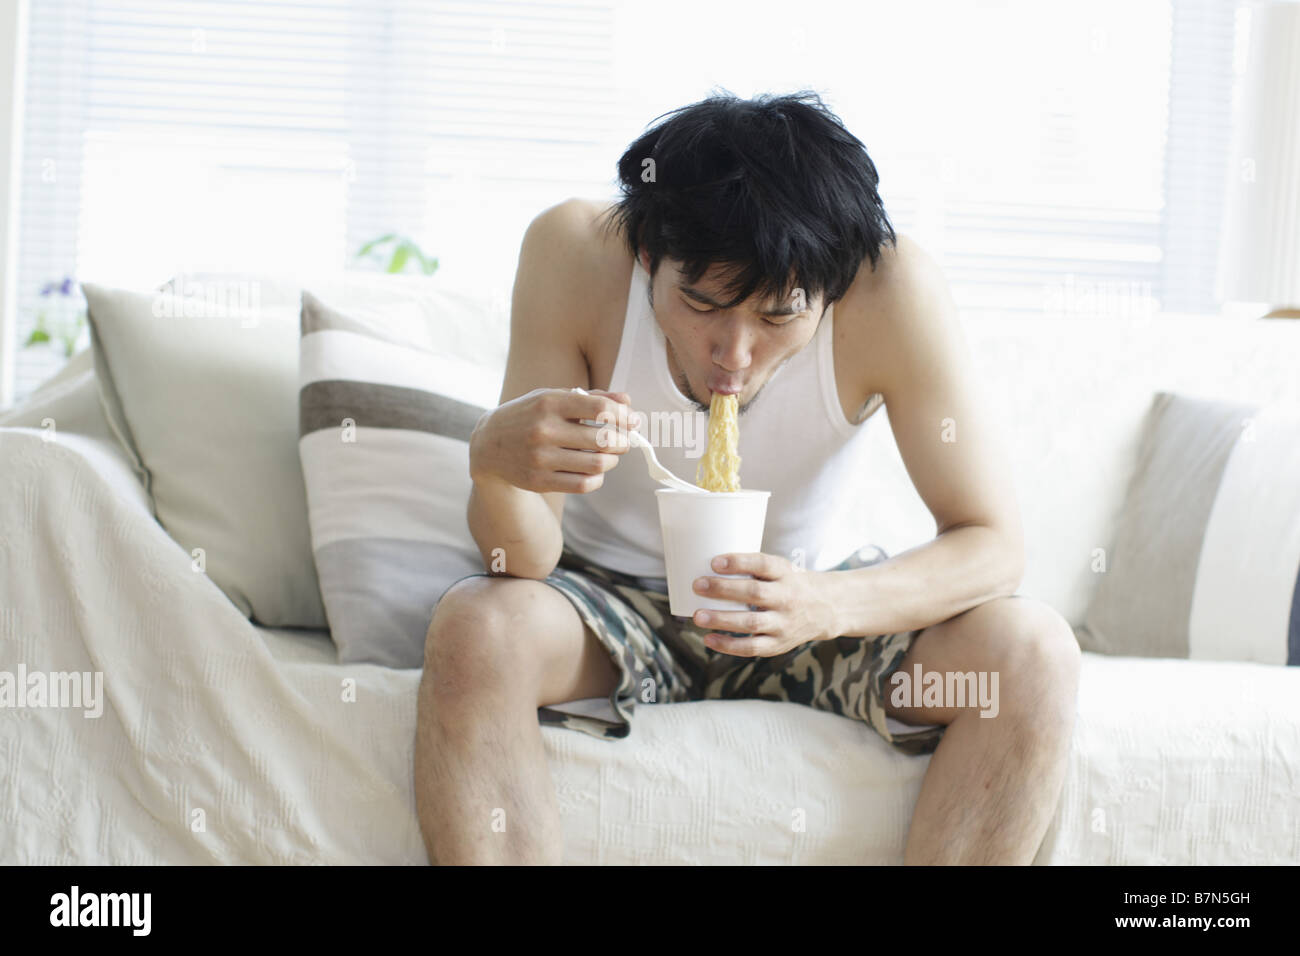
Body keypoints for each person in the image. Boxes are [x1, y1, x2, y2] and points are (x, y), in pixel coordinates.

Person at [414, 91, 1080, 865]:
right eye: (700, 303)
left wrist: (824, 603)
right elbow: (523, 559)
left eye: (778, 318)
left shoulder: (893, 291)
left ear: (835, 288)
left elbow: (993, 545)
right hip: (610, 603)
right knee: (474, 625)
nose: (733, 354)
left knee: (1034, 652)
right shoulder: (575, 252)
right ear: (645, 256)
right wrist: (494, 466)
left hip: (812, 605)